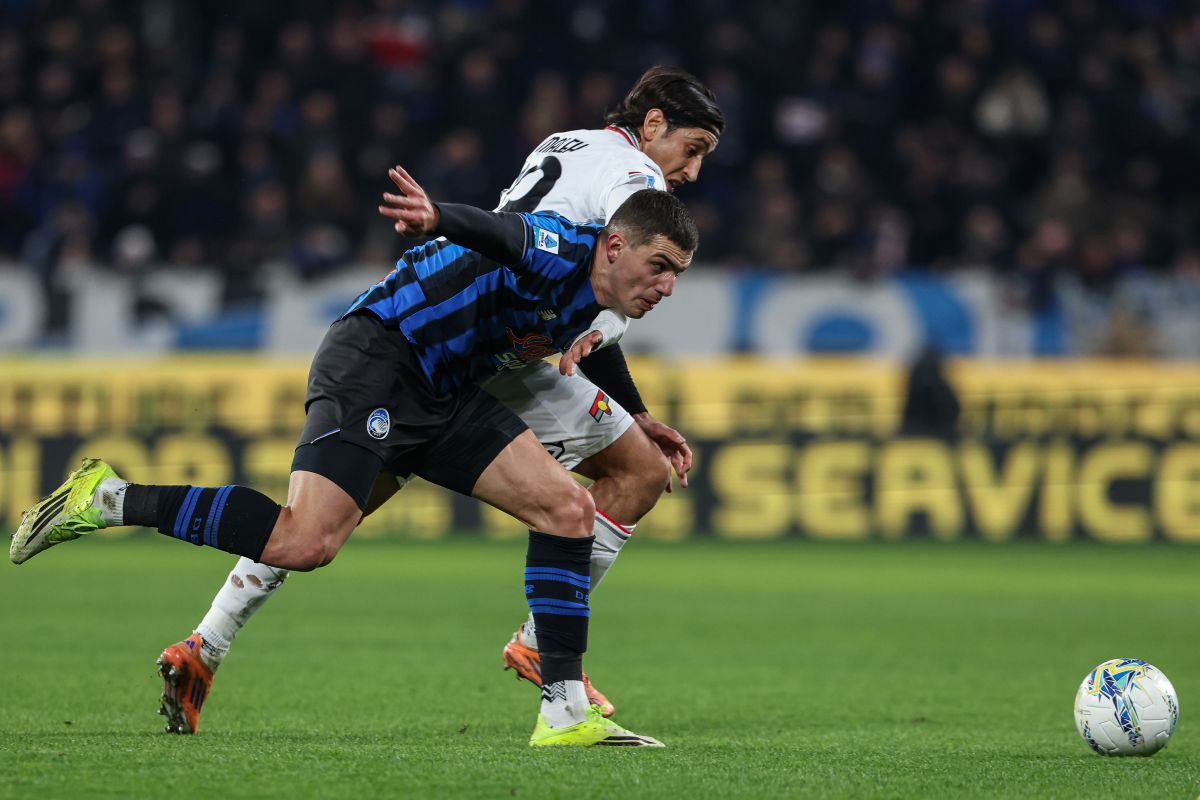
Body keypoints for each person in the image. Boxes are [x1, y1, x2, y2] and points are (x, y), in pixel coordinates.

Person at [11, 169, 699, 747]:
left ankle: (564, 712)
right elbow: (506, 233)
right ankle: (108, 498)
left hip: (446, 394)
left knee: (568, 510)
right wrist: (439, 217)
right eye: (660, 266)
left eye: (677, 274)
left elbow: (594, 341)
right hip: (378, 360)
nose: (667, 287)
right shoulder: (563, 247)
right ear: (613, 247)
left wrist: (639, 416)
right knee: (305, 541)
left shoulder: (605, 301)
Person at [150, 65, 724, 735]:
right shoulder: (638, 178)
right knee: (635, 473)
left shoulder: (565, 145)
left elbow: (573, 277)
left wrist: (634, 404)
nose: (692, 171)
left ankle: (206, 643)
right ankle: (542, 644)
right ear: (652, 124)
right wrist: (600, 327)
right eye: (692, 148)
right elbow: (593, 267)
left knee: (321, 521)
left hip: (481, 335)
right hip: (484, 347)